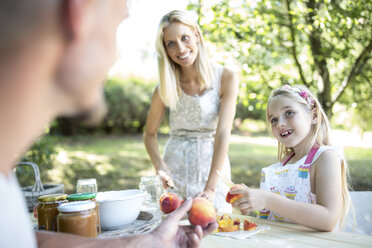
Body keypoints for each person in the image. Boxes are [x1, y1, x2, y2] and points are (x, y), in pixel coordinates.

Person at [0, 1, 217, 247]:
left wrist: (145, 242)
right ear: (79, 16)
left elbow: (24, 240)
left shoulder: (6, 192)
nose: (115, 56)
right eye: (117, 25)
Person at [143, 10, 239, 213]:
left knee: (217, 230)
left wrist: (211, 188)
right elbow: (149, 135)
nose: (180, 48)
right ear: (166, 50)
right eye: (171, 44)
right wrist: (160, 167)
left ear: (196, 34)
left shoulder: (225, 77)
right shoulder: (164, 87)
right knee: (173, 233)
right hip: (175, 172)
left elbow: (223, 134)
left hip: (212, 170)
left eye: (184, 38)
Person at [229, 85, 352, 231]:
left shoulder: (325, 158)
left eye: (289, 113)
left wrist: (268, 200)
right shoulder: (281, 166)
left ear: (314, 116)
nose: (280, 123)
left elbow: (329, 219)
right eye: (273, 119)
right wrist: (252, 201)